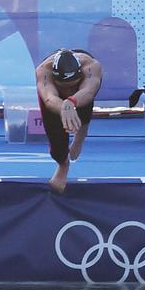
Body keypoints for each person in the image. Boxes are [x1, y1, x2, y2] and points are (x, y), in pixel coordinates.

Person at [35, 47, 102, 193]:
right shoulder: (43, 71)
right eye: (63, 88)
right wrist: (65, 106)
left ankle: (81, 132)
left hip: (84, 89)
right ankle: (63, 165)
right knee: (55, 132)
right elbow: (49, 98)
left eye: (72, 87)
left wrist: (71, 101)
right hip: (53, 97)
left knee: (83, 101)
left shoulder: (91, 67)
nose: (68, 92)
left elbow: (88, 92)